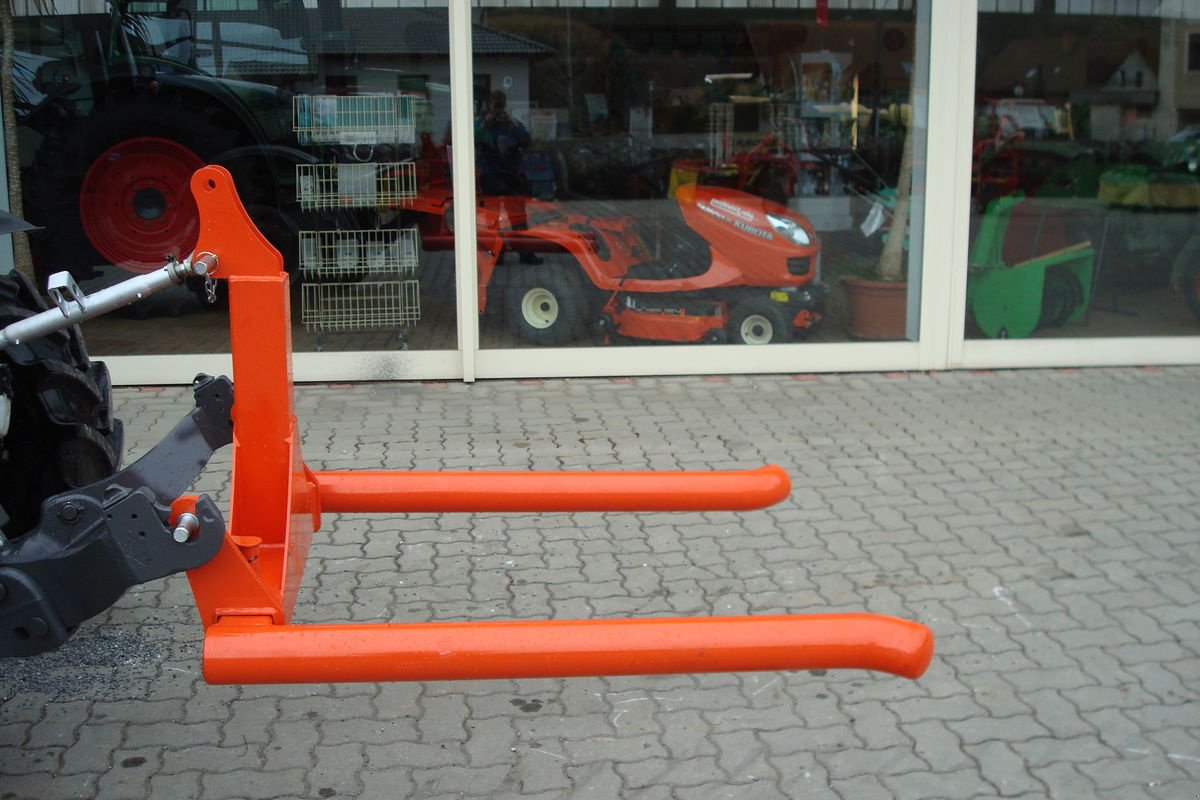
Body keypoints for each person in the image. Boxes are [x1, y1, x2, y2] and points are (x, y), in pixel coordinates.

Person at [475, 90, 532, 197]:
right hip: (490, 173)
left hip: (510, 172)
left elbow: (527, 141)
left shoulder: (512, 124)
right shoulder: (481, 123)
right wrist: (484, 126)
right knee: (491, 209)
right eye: (495, 106)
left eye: (500, 106)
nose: (498, 110)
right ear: (489, 106)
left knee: (515, 207)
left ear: (505, 106)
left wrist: (514, 127)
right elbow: (471, 140)